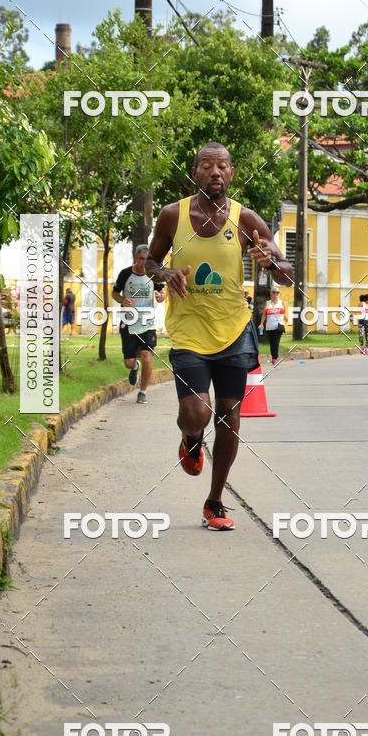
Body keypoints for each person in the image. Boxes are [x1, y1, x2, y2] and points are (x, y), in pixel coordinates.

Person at [146, 141, 293, 530]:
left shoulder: (247, 220)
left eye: (222, 166)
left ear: (231, 172)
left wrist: (272, 263)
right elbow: (150, 262)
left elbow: (287, 273)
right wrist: (166, 273)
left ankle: (214, 502)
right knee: (198, 413)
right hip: (188, 330)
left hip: (234, 331)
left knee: (229, 417)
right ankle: (191, 438)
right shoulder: (172, 215)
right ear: (195, 171)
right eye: (207, 166)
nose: (215, 172)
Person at [112, 245, 165, 404]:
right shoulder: (125, 274)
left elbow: (162, 293)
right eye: (141, 259)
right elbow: (115, 293)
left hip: (147, 323)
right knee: (128, 362)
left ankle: (142, 392)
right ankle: (135, 367)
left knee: (147, 357)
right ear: (136, 258)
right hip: (129, 322)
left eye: (147, 260)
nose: (144, 263)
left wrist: (160, 296)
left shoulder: (153, 275)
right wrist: (122, 300)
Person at [259, 287, 286, 365]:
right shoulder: (267, 303)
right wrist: (261, 323)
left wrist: (285, 317)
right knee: (272, 343)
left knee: (276, 342)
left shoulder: (281, 302)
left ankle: (275, 358)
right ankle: (273, 356)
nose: (275, 294)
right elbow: (264, 314)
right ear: (271, 293)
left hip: (278, 327)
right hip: (269, 326)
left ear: (279, 294)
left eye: (277, 292)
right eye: (274, 292)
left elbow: (284, 311)